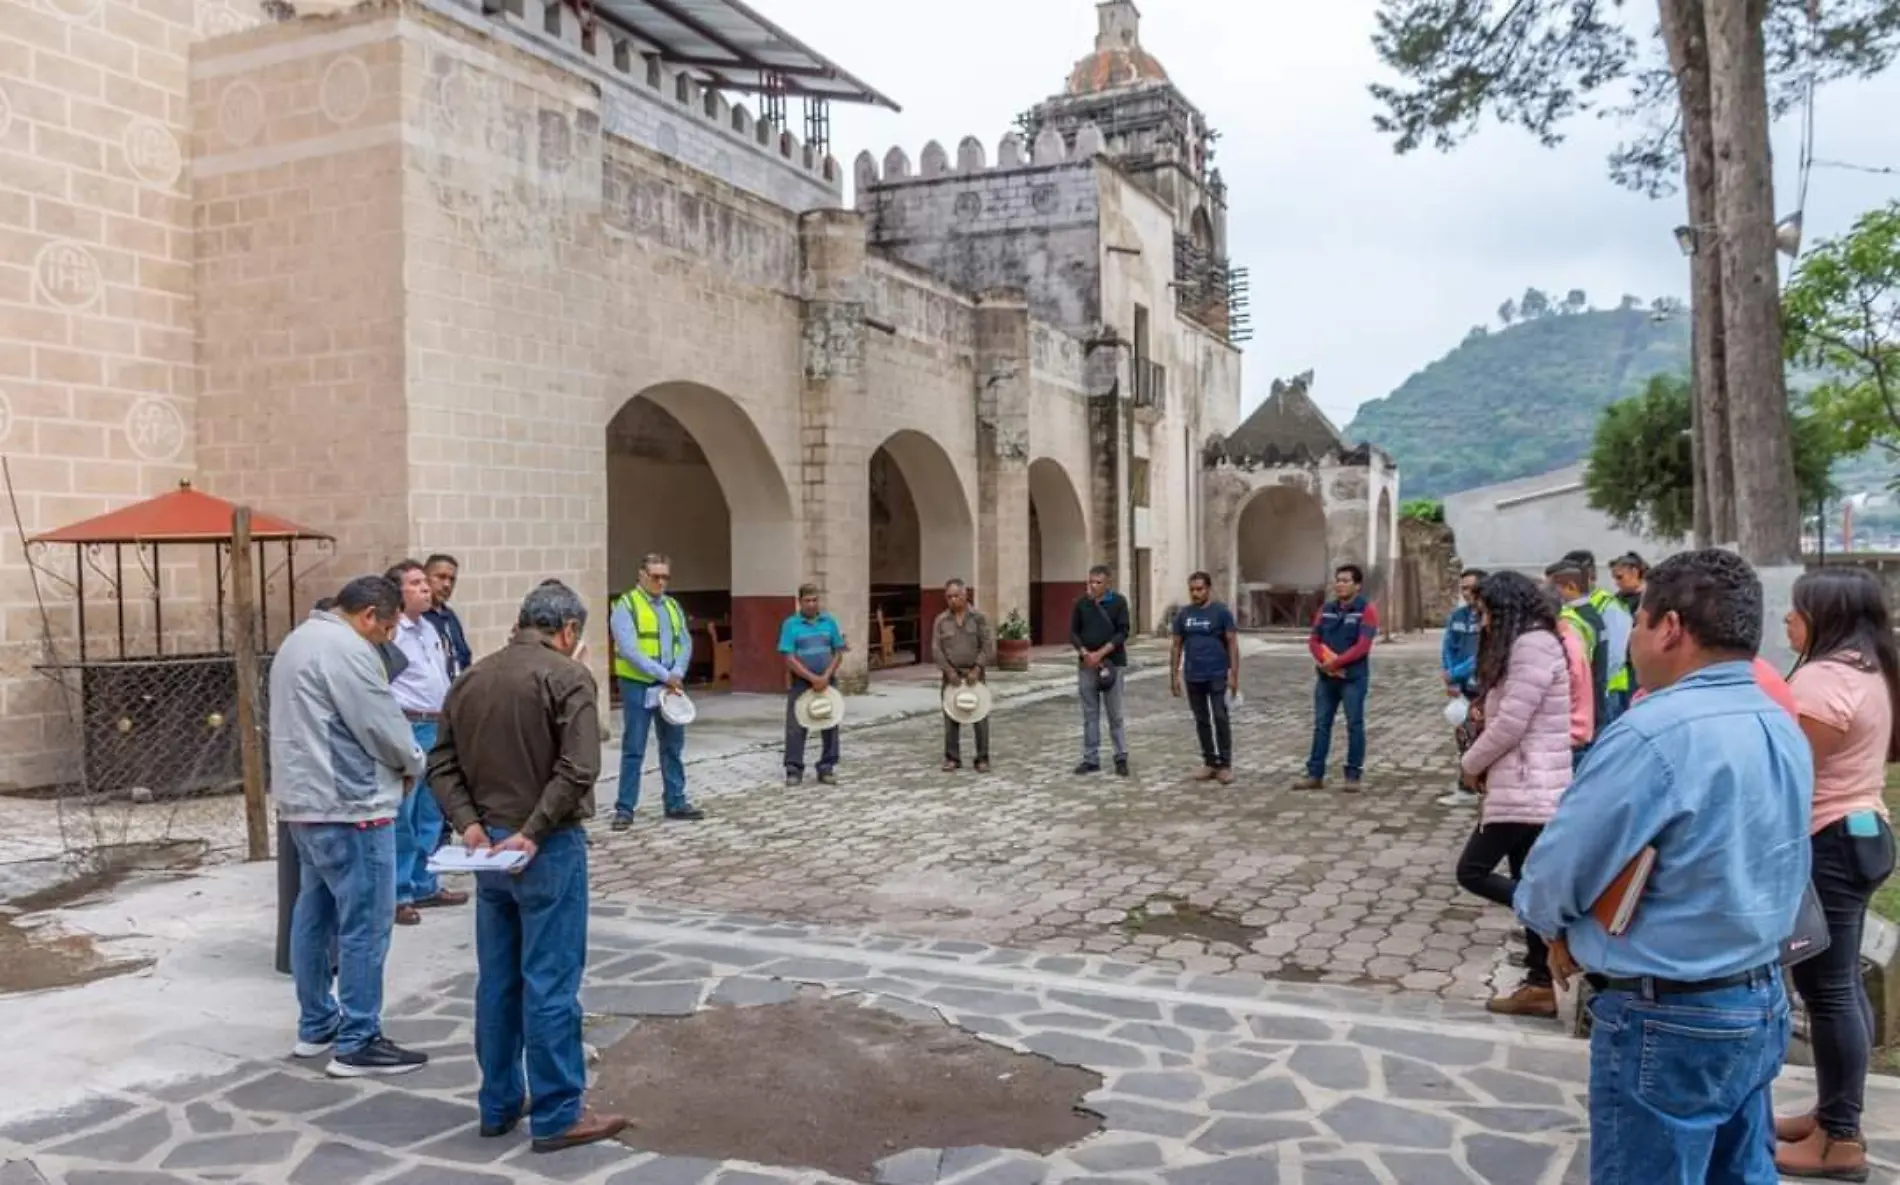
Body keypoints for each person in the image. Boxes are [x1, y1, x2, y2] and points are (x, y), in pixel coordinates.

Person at [1515, 549, 1812, 1185]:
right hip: (1758, 999)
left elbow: (1559, 864)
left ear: (1669, 627)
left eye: (1641, 622)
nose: (1634, 640)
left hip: (1669, 1017)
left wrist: (1548, 927)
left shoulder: (1655, 732)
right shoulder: (1779, 720)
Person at [426, 580, 628, 1154]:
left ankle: (498, 1101)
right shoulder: (567, 676)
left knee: (499, 981)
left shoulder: (472, 677)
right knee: (551, 982)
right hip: (545, 846)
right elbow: (579, 767)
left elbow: (441, 762)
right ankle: (559, 1111)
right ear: (568, 632)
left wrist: (468, 823)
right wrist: (533, 831)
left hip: (486, 845)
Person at [270, 574, 429, 1078]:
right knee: (365, 923)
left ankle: (317, 1022)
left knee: (313, 914)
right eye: (386, 631)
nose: (386, 641)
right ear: (368, 617)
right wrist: (412, 763)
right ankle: (359, 1037)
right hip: (352, 807)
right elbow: (381, 724)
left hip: (305, 804)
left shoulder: (298, 641)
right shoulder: (348, 650)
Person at [1774, 567, 1900, 1179]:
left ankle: (1841, 1140)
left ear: (1825, 615)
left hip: (1833, 843)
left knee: (1827, 992)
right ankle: (1831, 1115)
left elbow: (1785, 771)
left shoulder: (1823, 680)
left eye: (1796, 610)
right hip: (1864, 832)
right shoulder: (1868, 668)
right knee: (1840, 987)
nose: (1787, 620)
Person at [1453, 571, 1573, 1019]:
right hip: (1527, 783)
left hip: (1529, 786)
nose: (1481, 622)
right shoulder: (1530, 645)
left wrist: (1470, 764)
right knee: (1527, 878)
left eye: (1485, 612)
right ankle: (1540, 983)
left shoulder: (1531, 646)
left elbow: (1512, 725)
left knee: (1473, 871)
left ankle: (1558, 928)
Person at [385, 560, 467, 926]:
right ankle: (399, 891)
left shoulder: (431, 628)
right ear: (398, 592)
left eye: (424, 582)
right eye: (415, 583)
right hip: (409, 723)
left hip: (437, 724)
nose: (425, 588)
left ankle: (425, 882)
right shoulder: (393, 633)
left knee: (432, 810)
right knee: (405, 813)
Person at [608, 552, 702, 827]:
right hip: (638, 685)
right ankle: (625, 808)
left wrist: (678, 673)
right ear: (642, 575)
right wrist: (665, 675)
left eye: (665, 577)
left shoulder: (672, 606)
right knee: (634, 747)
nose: (661, 582)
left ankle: (676, 800)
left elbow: (684, 642)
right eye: (655, 576)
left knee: (673, 745)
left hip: (670, 685)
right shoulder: (626, 606)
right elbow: (629, 650)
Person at [1297, 564, 1378, 792]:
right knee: (1321, 725)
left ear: (1358, 585)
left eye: (1345, 580)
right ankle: (1315, 773)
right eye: (1338, 580)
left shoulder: (1367, 610)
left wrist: (1338, 662)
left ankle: (1353, 775)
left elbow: (1363, 646)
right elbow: (1314, 639)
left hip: (1353, 678)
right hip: (1326, 677)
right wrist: (1324, 662)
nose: (1340, 584)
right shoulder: (1326, 609)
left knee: (1354, 724)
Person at [1170, 571, 1238, 782]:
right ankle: (1210, 762)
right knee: (1201, 720)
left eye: (1199, 589)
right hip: (1193, 675)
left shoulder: (1221, 613)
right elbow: (1176, 645)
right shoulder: (1184, 615)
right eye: (1192, 589)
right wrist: (1174, 675)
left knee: (1220, 716)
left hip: (1217, 674)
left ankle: (1225, 764)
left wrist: (1234, 674)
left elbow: (1232, 644)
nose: (1195, 593)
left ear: (1208, 589)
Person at [779, 583, 847, 786]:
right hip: (801, 681)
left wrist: (826, 676)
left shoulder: (829, 622)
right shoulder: (791, 625)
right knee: (796, 726)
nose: (811, 604)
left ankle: (827, 767)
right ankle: (794, 768)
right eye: (807, 600)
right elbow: (789, 657)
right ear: (800, 602)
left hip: (827, 680)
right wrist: (811, 678)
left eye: (814, 600)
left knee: (830, 722)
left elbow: (838, 652)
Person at [1070, 564, 1131, 776]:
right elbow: (1073, 632)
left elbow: (1123, 632)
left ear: (1107, 584)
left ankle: (1120, 756)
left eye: (1098, 582)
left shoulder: (1119, 602)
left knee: (1115, 713)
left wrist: (1101, 653)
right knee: (1090, 713)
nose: (1093, 586)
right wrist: (1085, 653)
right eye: (1090, 582)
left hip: (1112, 663)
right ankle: (1090, 758)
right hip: (1087, 665)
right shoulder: (1081, 604)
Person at [1545, 559, 1607, 764]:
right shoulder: (1594, 614)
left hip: (1579, 715)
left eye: (1553, 588)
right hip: (1595, 704)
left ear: (1571, 587)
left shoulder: (1571, 622)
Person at [1564, 549, 1634, 724]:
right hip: (1587, 692)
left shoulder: (1609, 606)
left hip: (1608, 691)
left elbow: (1616, 655)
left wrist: (1596, 684)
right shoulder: (1571, 606)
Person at [933, 578, 995, 772]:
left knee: (979, 716)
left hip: (974, 673)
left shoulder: (979, 618)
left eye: (956, 596)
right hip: (951, 674)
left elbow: (987, 645)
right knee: (951, 716)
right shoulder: (941, 620)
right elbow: (936, 648)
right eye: (949, 597)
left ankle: (982, 758)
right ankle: (952, 757)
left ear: (965, 594)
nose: (953, 600)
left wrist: (977, 668)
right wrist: (948, 671)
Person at [1438, 569, 1485, 807]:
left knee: (1482, 739)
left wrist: (1455, 672)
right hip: (1463, 689)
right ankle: (1467, 784)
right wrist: (1451, 677)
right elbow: (1448, 647)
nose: (1467, 593)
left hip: (1484, 688)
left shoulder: (1488, 618)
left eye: (1471, 588)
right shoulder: (1458, 616)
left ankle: (1477, 784)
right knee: (1464, 736)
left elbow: (1481, 654)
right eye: (1463, 588)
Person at [423, 553, 474, 680]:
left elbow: (463, 656)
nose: (447, 585)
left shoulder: (450, 617)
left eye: (452, 579)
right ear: (425, 578)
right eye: (441, 577)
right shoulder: (418, 618)